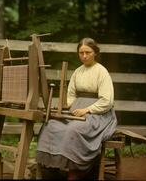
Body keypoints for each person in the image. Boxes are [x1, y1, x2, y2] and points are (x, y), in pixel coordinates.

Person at [36, 37, 117, 180]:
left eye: (88, 52)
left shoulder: (101, 72)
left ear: (95, 53)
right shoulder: (78, 72)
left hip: (98, 114)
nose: (84, 56)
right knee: (51, 125)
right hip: (76, 111)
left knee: (74, 129)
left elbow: (107, 101)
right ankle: (52, 165)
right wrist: (69, 106)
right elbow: (71, 95)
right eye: (81, 53)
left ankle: (76, 170)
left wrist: (87, 110)